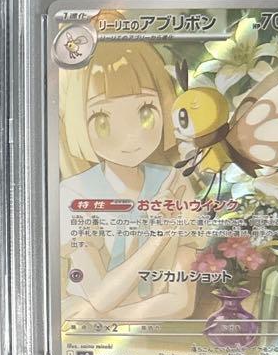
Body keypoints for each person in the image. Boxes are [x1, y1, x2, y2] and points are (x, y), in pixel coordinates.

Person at [59, 38, 198, 322]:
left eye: (145, 112)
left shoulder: (176, 184)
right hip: (88, 340)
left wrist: (96, 316)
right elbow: (99, 296)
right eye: (102, 119)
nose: (130, 135)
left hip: (150, 335)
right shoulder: (75, 193)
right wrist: (158, 239)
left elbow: (182, 302)